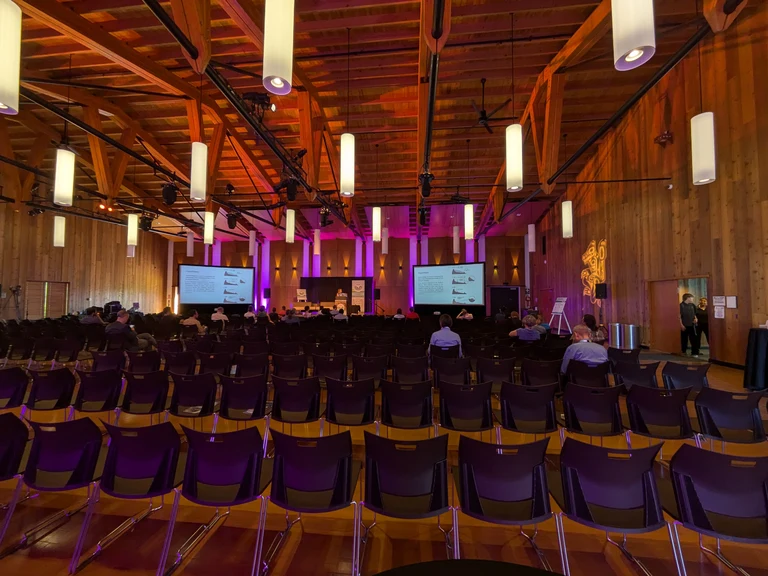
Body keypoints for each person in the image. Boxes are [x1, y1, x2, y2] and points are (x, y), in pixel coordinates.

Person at [679, 293, 699, 357]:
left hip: (692, 325)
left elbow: (695, 314)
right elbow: (679, 317)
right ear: (688, 298)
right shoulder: (681, 306)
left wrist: (696, 319)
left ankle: (694, 353)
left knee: (694, 339)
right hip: (684, 325)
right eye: (692, 298)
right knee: (684, 340)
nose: (692, 299)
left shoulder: (693, 305)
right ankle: (683, 351)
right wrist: (681, 325)